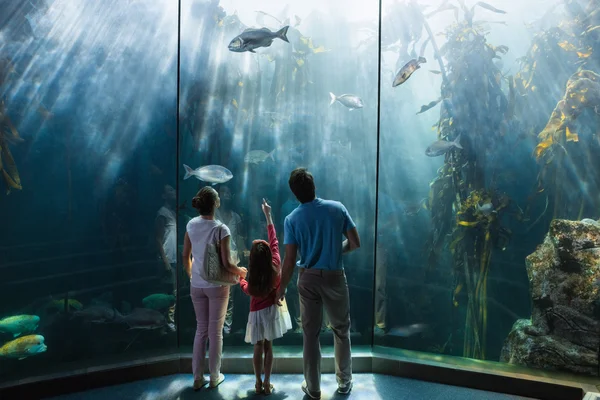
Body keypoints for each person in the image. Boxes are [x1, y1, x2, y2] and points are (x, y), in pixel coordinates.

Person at [277, 168, 361, 399]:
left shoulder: (291, 219)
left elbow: (290, 260)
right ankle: (344, 382)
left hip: (308, 278)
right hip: (335, 275)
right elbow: (355, 243)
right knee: (341, 330)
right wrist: (335, 250)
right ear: (314, 186)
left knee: (310, 334)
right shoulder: (337, 208)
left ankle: (313, 389)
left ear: (295, 194)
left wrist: (282, 287)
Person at [182, 187, 247, 390]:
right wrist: (242, 271)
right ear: (216, 203)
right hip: (217, 285)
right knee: (215, 331)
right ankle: (214, 375)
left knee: (200, 330)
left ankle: (197, 378)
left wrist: (192, 275)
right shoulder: (221, 229)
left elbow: (186, 255)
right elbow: (227, 264)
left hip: (197, 285)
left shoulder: (191, 225)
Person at [239, 198, 292, 395]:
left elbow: (247, 289)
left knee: (257, 346)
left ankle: (258, 382)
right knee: (269, 346)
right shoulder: (275, 266)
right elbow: (275, 241)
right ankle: (268, 383)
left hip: (256, 314)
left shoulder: (252, 278)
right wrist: (268, 215)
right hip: (270, 312)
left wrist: (240, 279)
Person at [214, 185, 248, 335]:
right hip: (215, 258)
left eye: (229, 192)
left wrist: (244, 254)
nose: (226, 195)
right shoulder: (212, 215)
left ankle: (226, 328)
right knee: (216, 293)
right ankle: (216, 327)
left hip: (233, 259)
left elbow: (240, 240)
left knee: (230, 296)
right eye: (223, 192)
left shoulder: (236, 217)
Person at [155, 184, 177, 331]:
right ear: (163, 195)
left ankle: (169, 324)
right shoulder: (162, 213)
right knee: (165, 294)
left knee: (172, 293)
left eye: (173, 189)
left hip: (174, 260)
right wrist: (165, 262)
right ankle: (162, 325)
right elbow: (157, 239)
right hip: (167, 260)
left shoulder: (173, 212)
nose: (174, 191)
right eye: (169, 190)